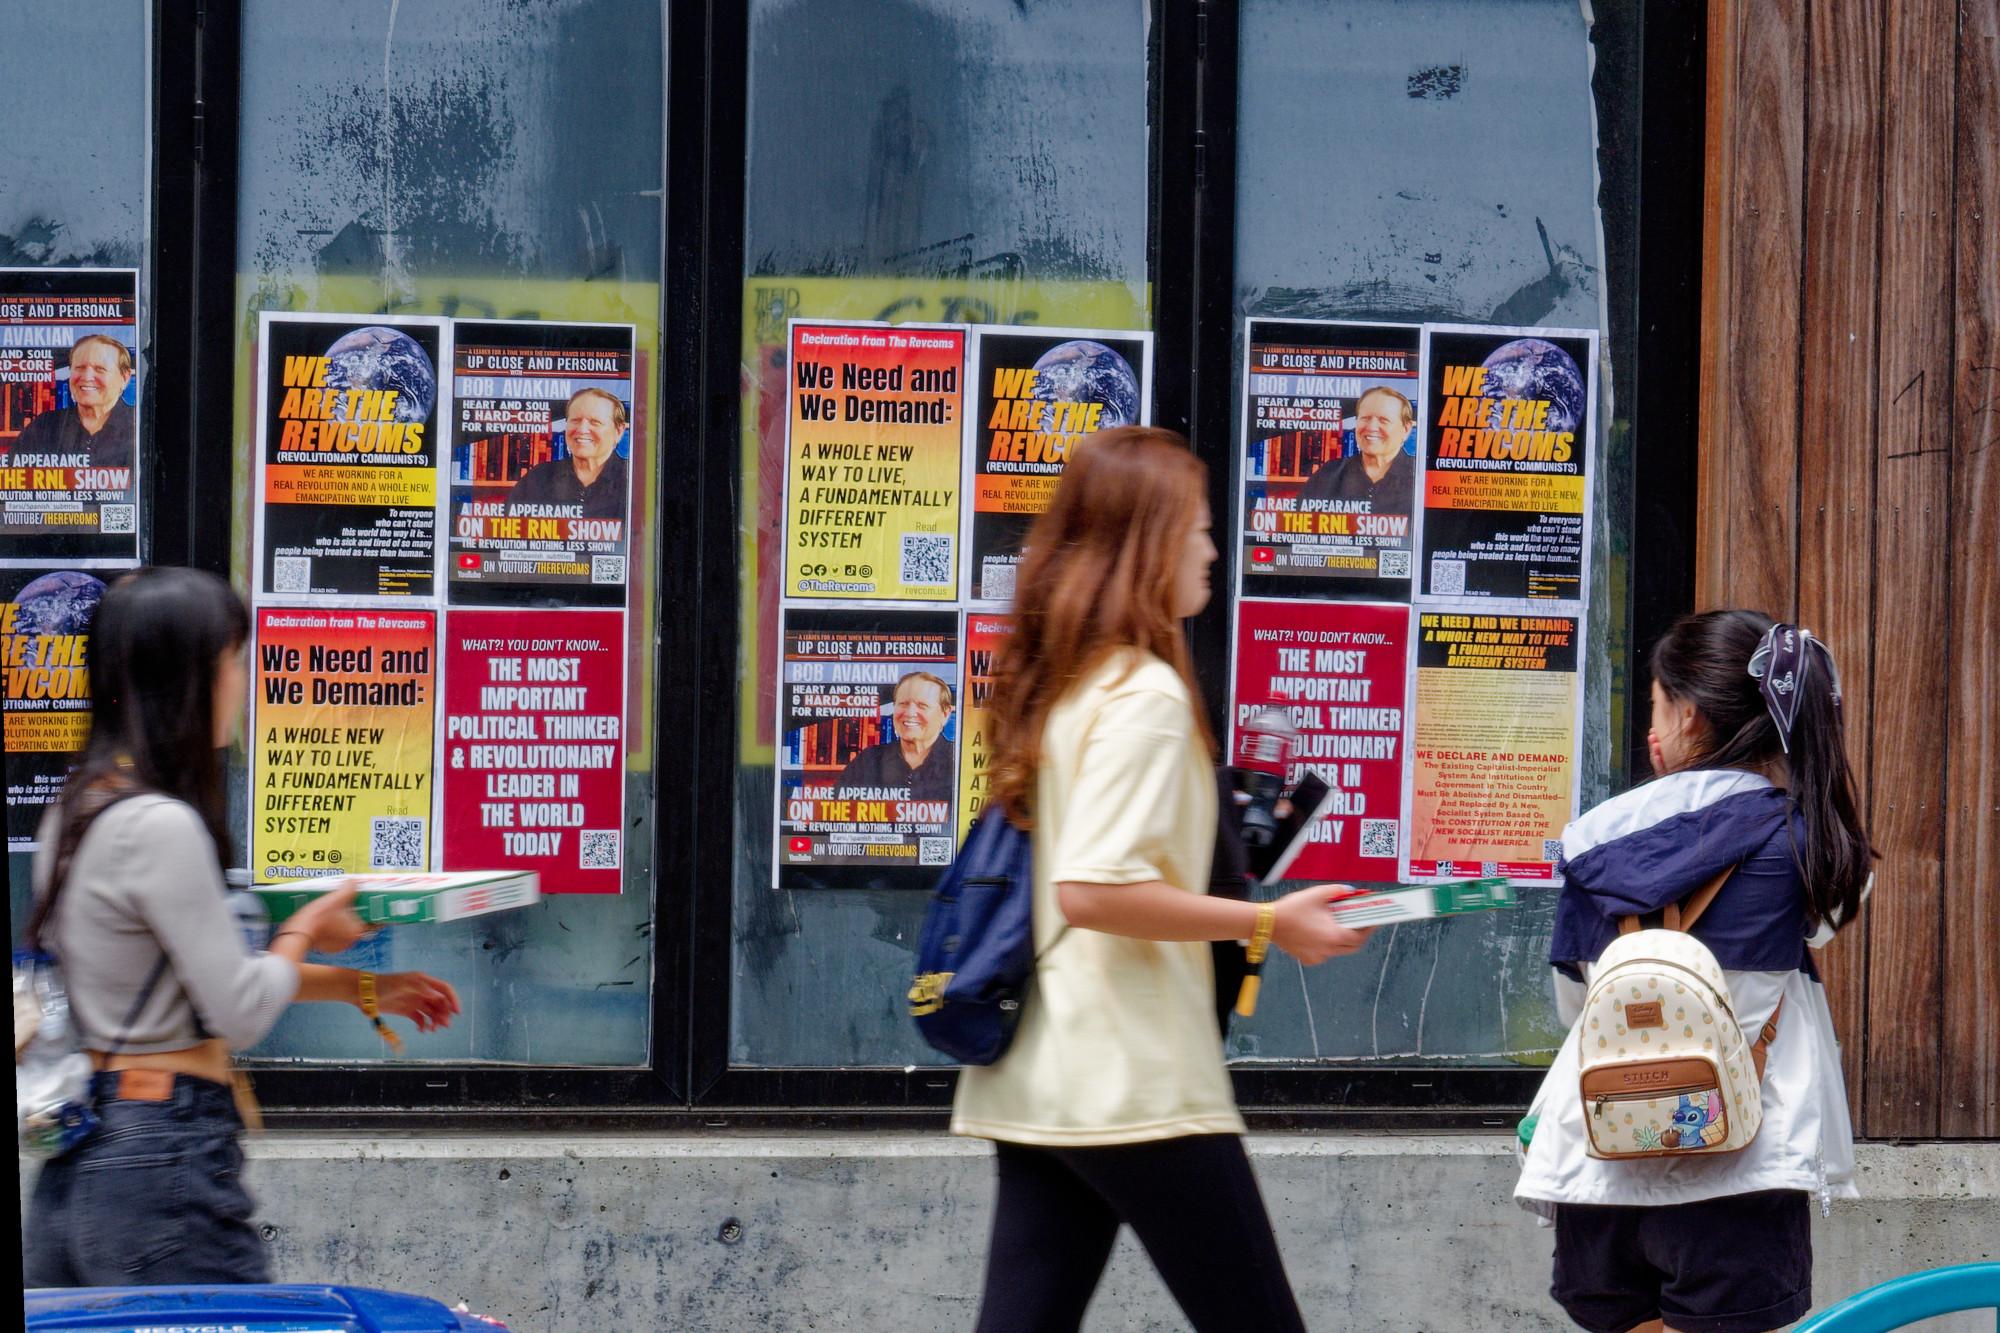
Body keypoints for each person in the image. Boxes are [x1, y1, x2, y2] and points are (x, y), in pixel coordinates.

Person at [953, 425, 1375, 1333]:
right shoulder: (1141, 695)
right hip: (1136, 1076)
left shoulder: (1078, 685)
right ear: (1150, 545)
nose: (1214, 549)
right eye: (1199, 529)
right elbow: (1095, 890)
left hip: (1047, 1072)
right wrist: (1271, 923)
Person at [22, 567, 461, 1287]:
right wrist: (308, 927)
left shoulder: (76, 811)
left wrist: (365, 987)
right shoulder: (161, 825)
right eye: (232, 660)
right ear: (187, 678)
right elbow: (241, 1008)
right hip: (163, 1158)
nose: (240, 682)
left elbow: (181, 986)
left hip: (86, 1154)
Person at [1515, 611, 1873, 1333]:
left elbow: (1571, 1005)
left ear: (1687, 714)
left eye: (1654, 703)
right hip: (1739, 1166)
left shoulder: (1592, 838)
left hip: (1604, 1158)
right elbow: (1829, 923)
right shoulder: (1813, 841)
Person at [14, 334, 136, 470]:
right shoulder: (44, 425)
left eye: (100, 369)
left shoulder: (139, 426)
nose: (87, 377)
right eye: (79, 367)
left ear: (125, 377)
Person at [506, 387, 629, 519]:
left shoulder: (633, 480)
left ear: (619, 431)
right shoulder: (538, 478)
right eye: (575, 420)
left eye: (595, 422)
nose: (582, 430)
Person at [833, 670, 955, 800]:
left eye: (922, 706)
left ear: (945, 714)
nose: (910, 713)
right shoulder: (869, 760)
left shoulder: (958, 761)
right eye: (903, 704)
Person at [1294, 384, 1415, 511]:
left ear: (1406, 429)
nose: (1371, 427)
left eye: (1383, 420)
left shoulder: (1420, 477)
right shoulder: (1329, 474)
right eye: (1365, 418)